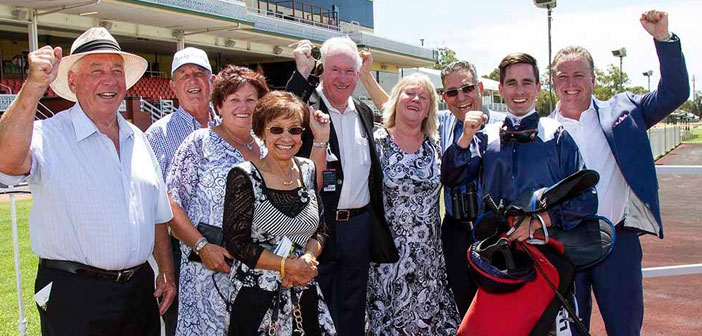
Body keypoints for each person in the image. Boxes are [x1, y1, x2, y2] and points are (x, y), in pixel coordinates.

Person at [0, 27, 175, 335]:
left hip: (139, 291)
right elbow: (7, 163)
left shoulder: (139, 139)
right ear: (72, 81)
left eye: (116, 71)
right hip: (75, 295)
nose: (109, 81)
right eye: (96, 70)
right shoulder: (48, 135)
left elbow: (158, 215)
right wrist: (32, 87)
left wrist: (166, 271)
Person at [550, 10, 689, 336]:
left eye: (579, 75)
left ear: (594, 79)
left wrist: (663, 39)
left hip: (617, 242)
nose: (571, 84)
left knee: (625, 329)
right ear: (553, 82)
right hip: (562, 248)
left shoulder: (624, 112)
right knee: (568, 331)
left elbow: (675, 92)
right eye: (562, 76)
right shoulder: (543, 130)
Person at [358, 53, 505, 315]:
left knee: (499, 310)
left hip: (494, 232)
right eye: (452, 92)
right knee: (459, 308)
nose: (461, 97)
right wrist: (366, 76)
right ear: (445, 98)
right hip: (451, 233)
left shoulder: (501, 126)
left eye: (468, 88)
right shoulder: (442, 126)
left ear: (479, 88)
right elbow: (399, 112)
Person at [286, 37, 398, 335]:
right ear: (322, 70)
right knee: (314, 310)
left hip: (357, 228)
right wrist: (301, 73)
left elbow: (396, 115)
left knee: (352, 313)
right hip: (317, 230)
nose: (343, 78)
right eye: (335, 69)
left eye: (351, 71)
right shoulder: (307, 106)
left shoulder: (362, 111)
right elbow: (280, 113)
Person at [441, 52, 597, 260]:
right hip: (496, 255)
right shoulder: (485, 137)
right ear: (501, 89)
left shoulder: (555, 134)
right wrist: (465, 139)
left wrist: (539, 221)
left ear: (538, 88)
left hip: (549, 256)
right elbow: (453, 178)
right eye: (512, 83)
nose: (519, 90)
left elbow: (587, 198)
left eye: (527, 82)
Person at [166, 65, 269, 335]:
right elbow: (170, 204)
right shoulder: (199, 143)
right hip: (208, 273)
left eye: (251, 100)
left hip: (260, 274)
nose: (243, 107)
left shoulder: (268, 148)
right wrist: (201, 246)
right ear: (220, 105)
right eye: (234, 99)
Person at [222, 91, 336, 335]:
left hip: (302, 292)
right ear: (261, 132)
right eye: (277, 129)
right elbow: (236, 243)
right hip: (256, 298)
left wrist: (307, 259)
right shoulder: (244, 176)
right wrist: (286, 266)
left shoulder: (307, 169)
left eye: (294, 130)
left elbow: (322, 229)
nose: (287, 137)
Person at [367, 73, 459, 334]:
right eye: (409, 93)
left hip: (428, 256)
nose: (416, 99)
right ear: (396, 98)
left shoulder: (437, 145)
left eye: (424, 96)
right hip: (387, 256)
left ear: (430, 107)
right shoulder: (376, 142)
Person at [145, 47, 219, 335]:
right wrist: (166, 270)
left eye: (200, 74)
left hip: (229, 246)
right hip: (182, 249)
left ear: (211, 82)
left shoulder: (229, 125)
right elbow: (157, 207)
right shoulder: (158, 134)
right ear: (173, 86)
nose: (193, 81)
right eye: (184, 75)